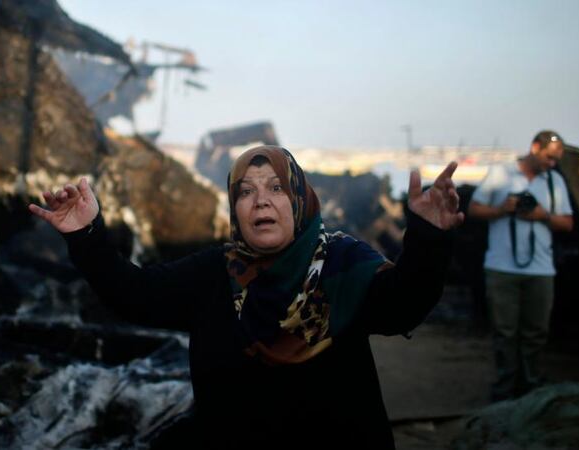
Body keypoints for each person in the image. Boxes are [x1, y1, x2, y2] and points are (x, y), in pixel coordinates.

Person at [29, 145, 464, 449]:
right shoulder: (213, 273)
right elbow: (133, 294)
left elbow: (403, 306)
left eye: (276, 188)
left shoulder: (341, 263)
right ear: (234, 207)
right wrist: (86, 235)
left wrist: (428, 238)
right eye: (246, 191)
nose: (261, 201)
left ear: (298, 200)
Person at [468, 130, 574, 401]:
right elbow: (474, 209)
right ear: (535, 148)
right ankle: (505, 388)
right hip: (501, 267)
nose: (552, 163)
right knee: (505, 333)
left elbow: (567, 223)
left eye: (557, 159)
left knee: (536, 332)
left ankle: (530, 387)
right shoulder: (501, 174)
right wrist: (501, 210)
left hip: (541, 269)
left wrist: (542, 215)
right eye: (549, 157)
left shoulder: (555, 181)